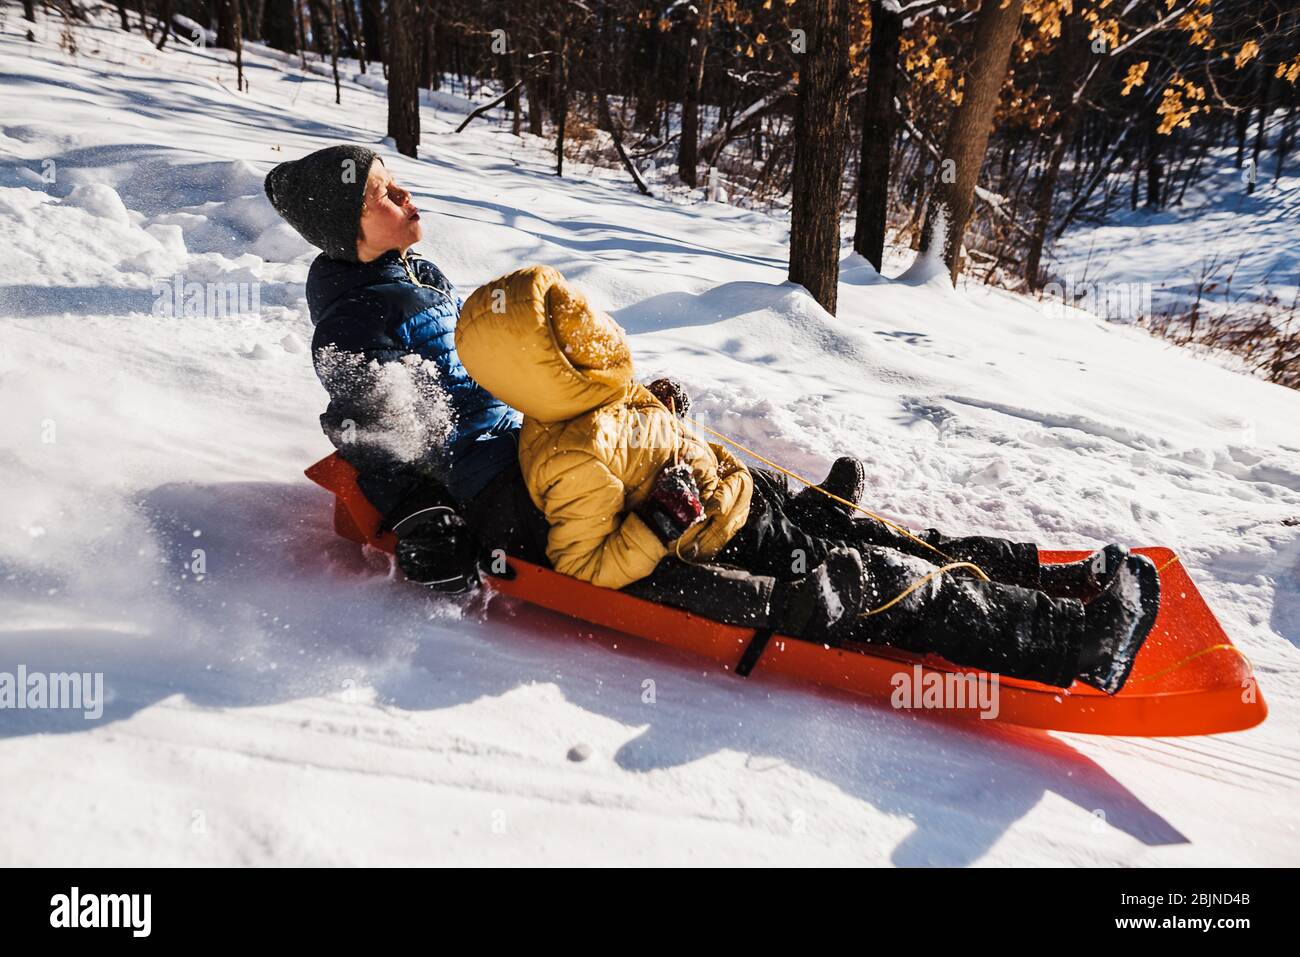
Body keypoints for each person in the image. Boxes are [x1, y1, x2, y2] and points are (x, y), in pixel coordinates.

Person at [454, 265, 1162, 695]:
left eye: (571, 310)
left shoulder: (591, 393)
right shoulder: (568, 451)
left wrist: (669, 415)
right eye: (563, 330)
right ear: (539, 365)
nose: (588, 326)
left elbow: (645, 451)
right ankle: (1079, 643)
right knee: (901, 582)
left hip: (751, 506)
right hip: (734, 548)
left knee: (898, 535)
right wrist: (661, 523)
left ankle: (1044, 579)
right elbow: (586, 566)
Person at [263, 145, 857, 640]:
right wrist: (420, 514)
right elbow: (369, 433)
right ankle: (780, 600)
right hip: (491, 485)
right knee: (632, 514)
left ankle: (793, 510)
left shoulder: (420, 275)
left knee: (653, 439)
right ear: (348, 228)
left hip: (521, 438)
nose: (407, 198)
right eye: (385, 197)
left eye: (401, 185)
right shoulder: (354, 323)